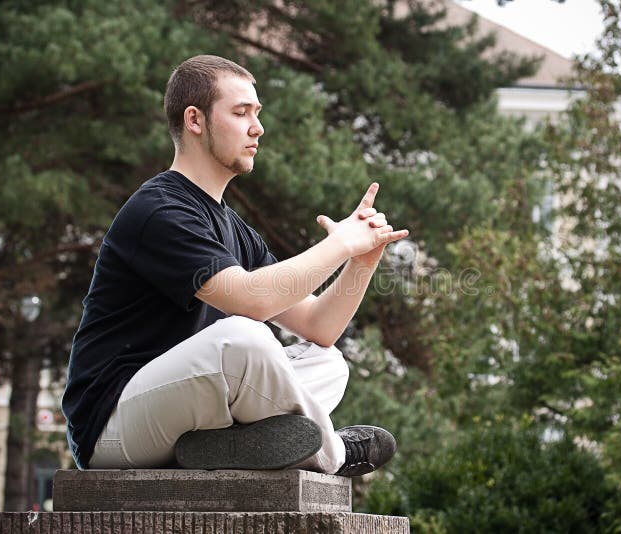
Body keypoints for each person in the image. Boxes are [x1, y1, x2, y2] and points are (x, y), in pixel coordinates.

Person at [61, 55, 409, 477]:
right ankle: (333, 453)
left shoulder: (234, 228)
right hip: (113, 427)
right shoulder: (159, 209)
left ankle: (219, 446)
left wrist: (361, 261)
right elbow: (252, 300)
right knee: (242, 335)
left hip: (189, 418)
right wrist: (338, 244)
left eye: (257, 113)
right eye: (241, 112)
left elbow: (319, 326)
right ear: (195, 119)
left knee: (328, 361)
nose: (257, 127)